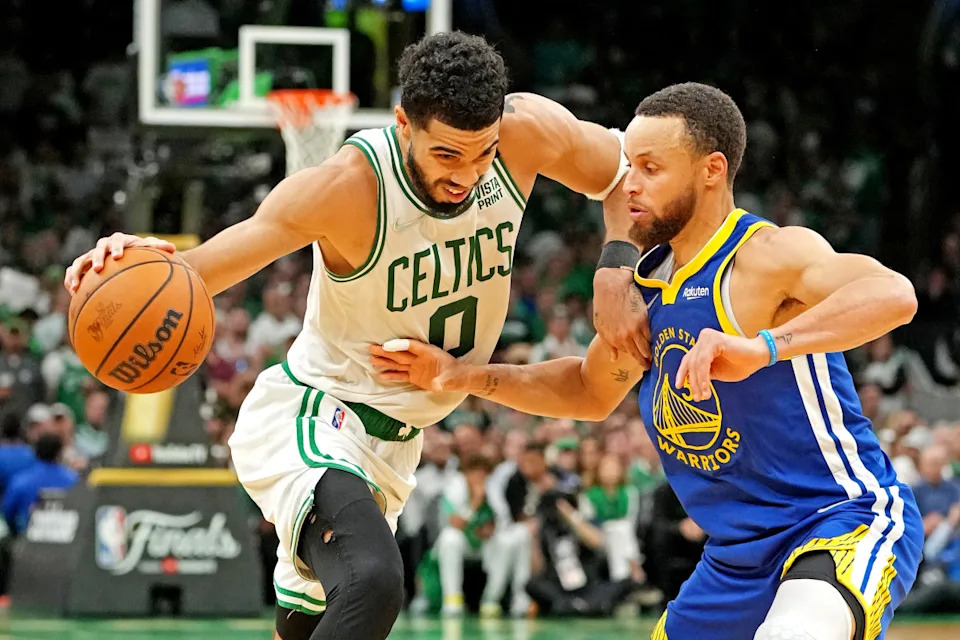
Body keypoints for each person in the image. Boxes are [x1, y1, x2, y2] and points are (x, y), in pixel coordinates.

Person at [63, 32, 649, 640]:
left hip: (396, 447)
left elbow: (626, 178)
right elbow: (196, 275)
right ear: (403, 124)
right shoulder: (347, 189)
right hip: (318, 415)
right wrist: (129, 266)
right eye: (447, 155)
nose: (468, 177)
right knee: (373, 583)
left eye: (482, 154)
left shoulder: (528, 132)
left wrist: (613, 269)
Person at [371, 82, 925, 640]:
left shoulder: (767, 255)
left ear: (711, 169)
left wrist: (763, 348)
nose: (628, 183)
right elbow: (588, 392)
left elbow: (894, 295)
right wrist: (465, 376)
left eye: (650, 168)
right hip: (735, 557)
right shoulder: (647, 285)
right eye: (628, 165)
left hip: (838, 521)